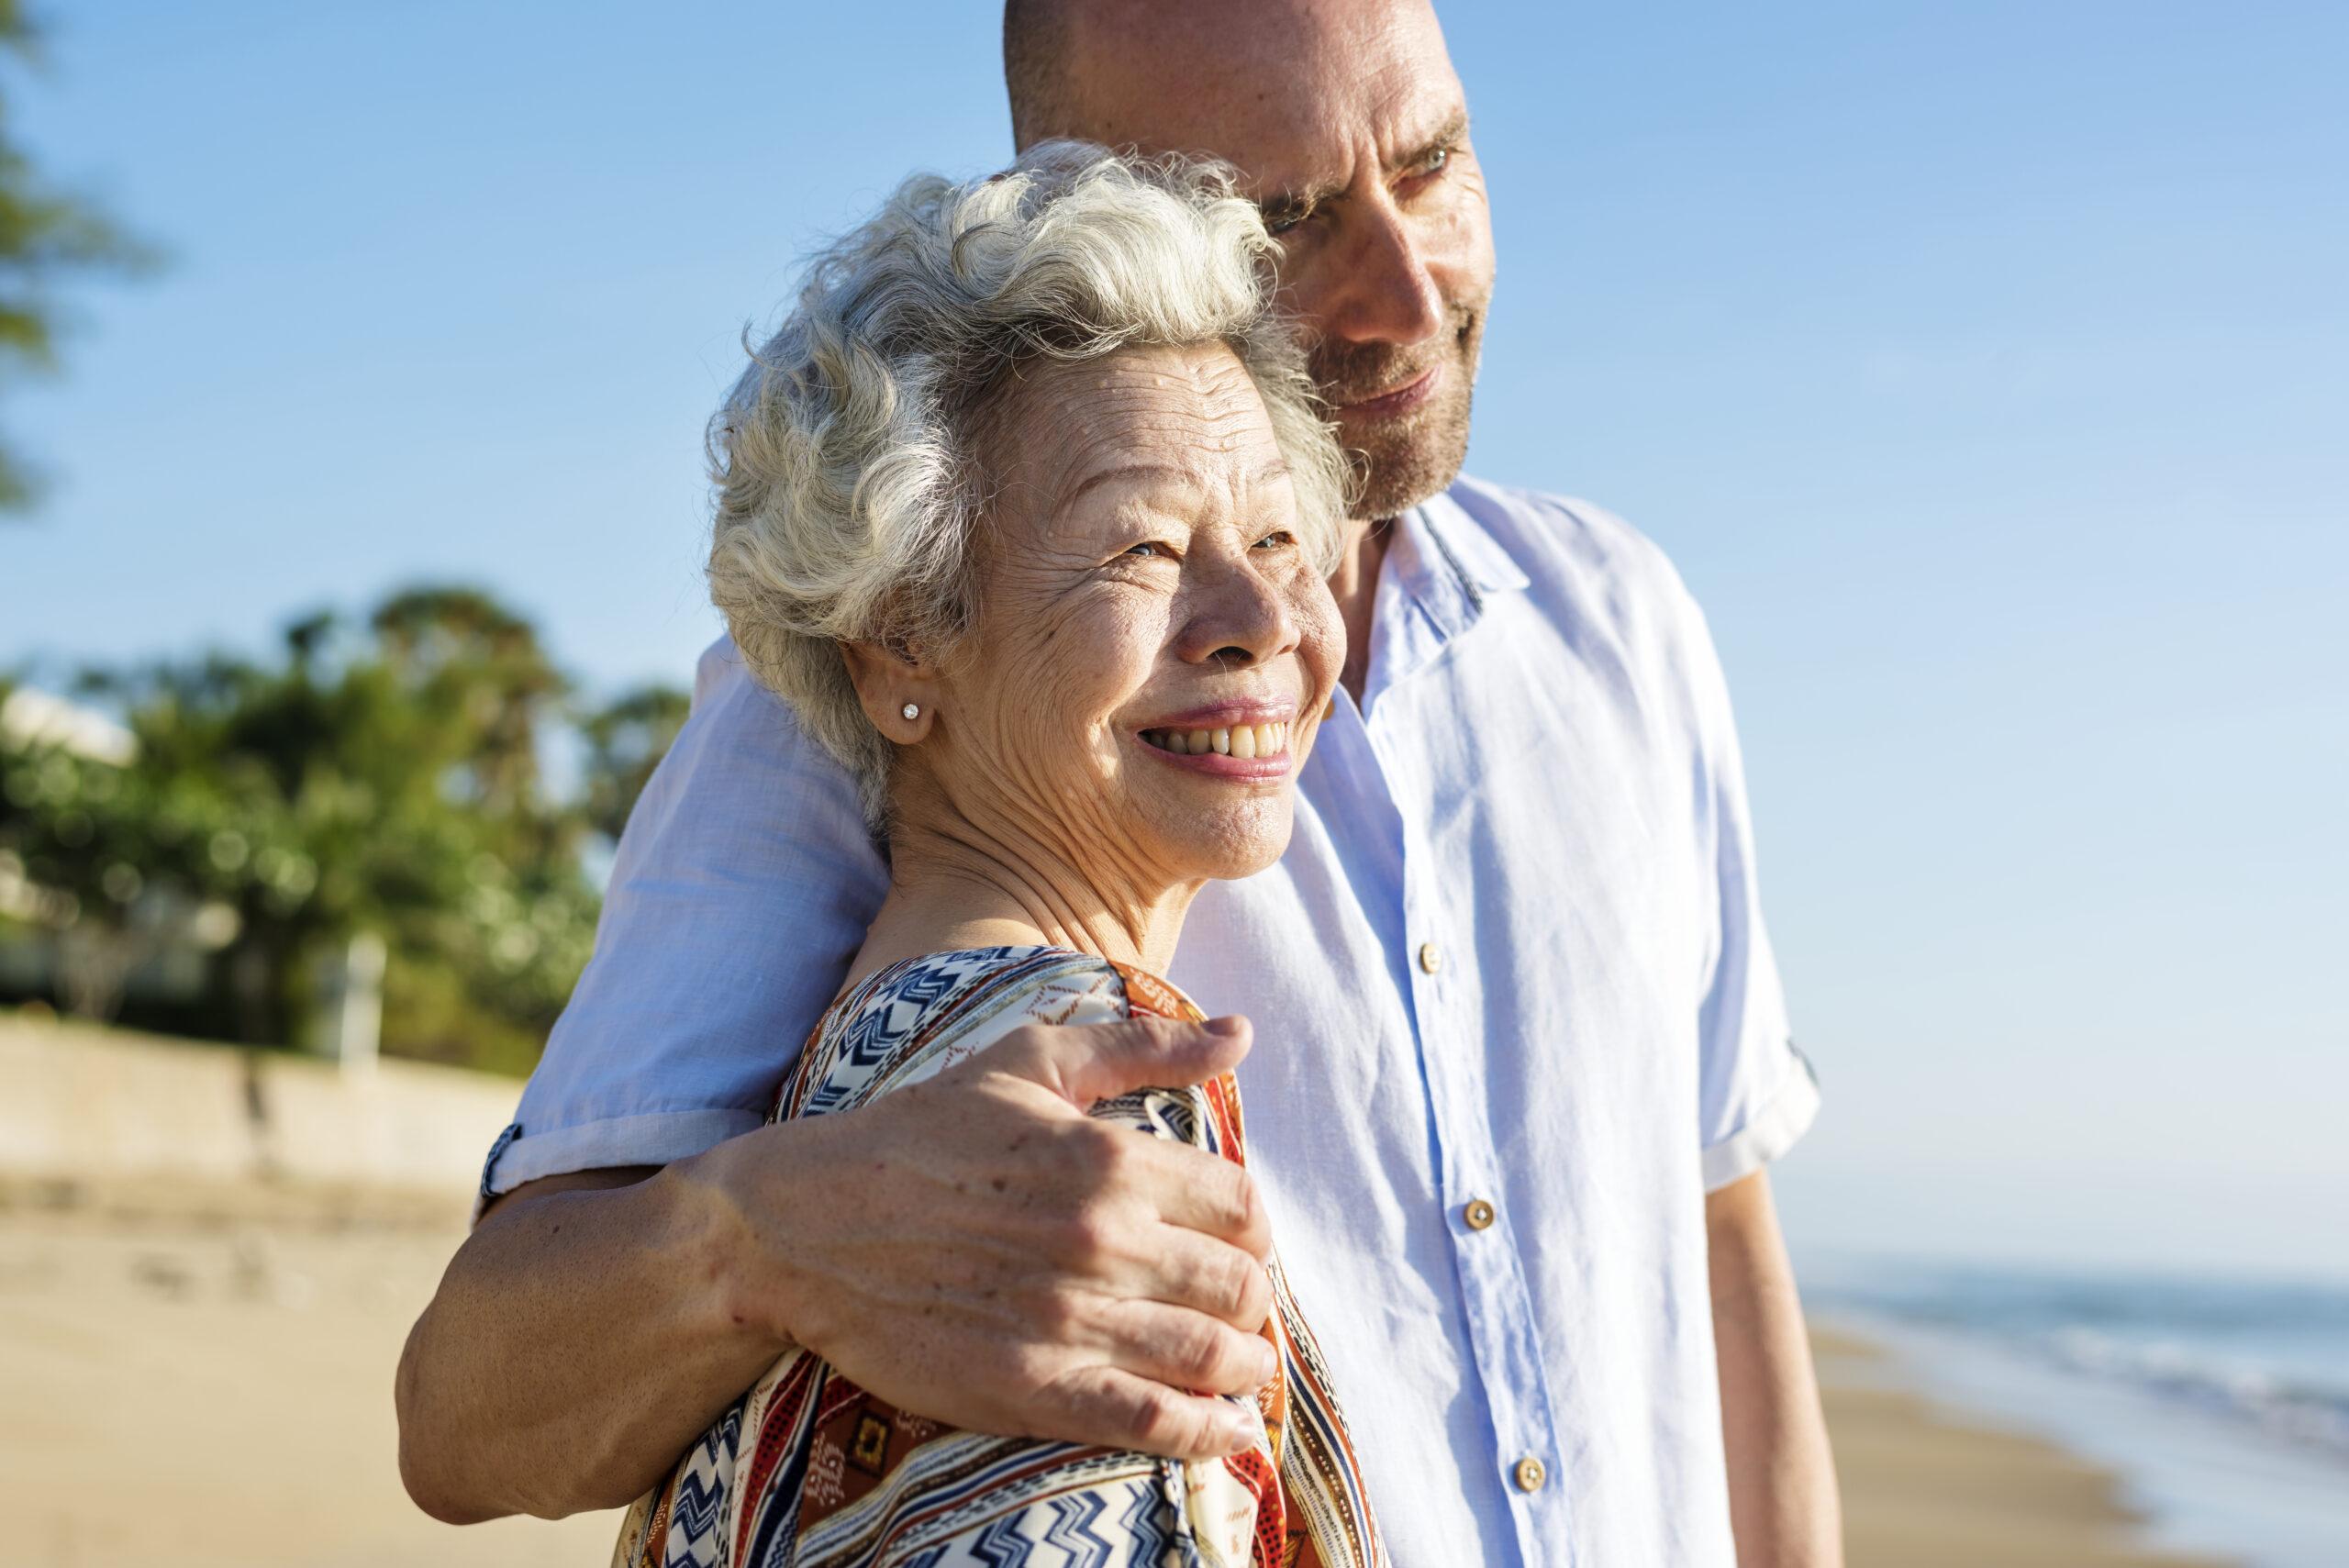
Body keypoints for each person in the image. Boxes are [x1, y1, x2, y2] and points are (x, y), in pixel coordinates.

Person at [397, 4, 1842, 1564]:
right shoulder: (876, 673)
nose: (1409, 286)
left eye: (1431, 163)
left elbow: (1720, 1243)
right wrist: (767, 1237)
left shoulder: (1619, 619)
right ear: (1087, 205)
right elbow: (466, 1416)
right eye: (1279, 217)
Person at [603, 144, 1381, 1567]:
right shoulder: (1074, 1132)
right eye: (1142, 549)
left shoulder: (854, 1089)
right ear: (904, 639)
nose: (1260, 616)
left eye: (1279, 536)